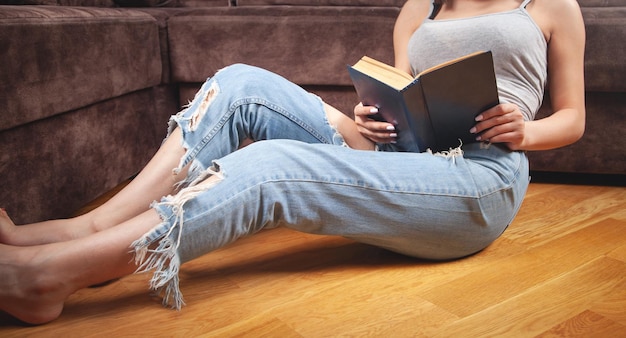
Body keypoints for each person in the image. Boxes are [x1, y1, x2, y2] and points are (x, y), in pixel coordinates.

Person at [0, 0, 585, 325]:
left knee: (275, 166)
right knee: (239, 85)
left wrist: (526, 129)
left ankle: (51, 276)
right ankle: (90, 230)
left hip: (478, 181)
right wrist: (373, 117)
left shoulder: (551, 6)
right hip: (406, 156)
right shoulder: (419, 9)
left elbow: (573, 118)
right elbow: (412, 100)